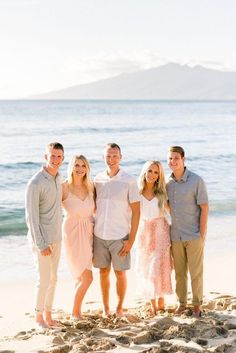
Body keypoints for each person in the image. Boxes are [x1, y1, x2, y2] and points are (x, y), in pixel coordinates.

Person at [93, 143, 140, 317]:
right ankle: (106, 308)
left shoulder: (129, 181)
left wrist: (131, 241)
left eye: (115, 156)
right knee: (103, 272)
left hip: (120, 236)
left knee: (120, 273)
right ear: (103, 158)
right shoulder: (97, 179)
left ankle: (119, 308)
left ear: (121, 157)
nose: (111, 159)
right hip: (99, 235)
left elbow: (136, 212)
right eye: (108, 156)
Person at [25, 142, 64, 328]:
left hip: (57, 237)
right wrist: (41, 244)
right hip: (42, 240)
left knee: (54, 278)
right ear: (45, 157)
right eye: (52, 156)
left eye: (58, 156)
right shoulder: (35, 183)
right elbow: (31, 218)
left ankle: (48, 315)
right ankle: (38, 317)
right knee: (44, 279)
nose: (55, 159)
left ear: (62, 158)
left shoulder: (58, 178)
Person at [166, 146, 209, 317]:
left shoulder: (196, 180)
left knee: (196, 273)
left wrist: (202, 234)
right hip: (175, 235)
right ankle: (181, 304)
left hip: (193, 235)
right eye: (170, 158)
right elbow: (166, 205)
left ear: (184, 159)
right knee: (179, 273)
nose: (173, 161)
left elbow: (204, 208)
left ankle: (197, 305)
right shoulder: (167, 182)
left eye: (176, 158)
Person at [135, 161, 173, 315]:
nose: (152, 175)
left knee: (160, 265)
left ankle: (161, 297)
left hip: (161, 230)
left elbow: (171, 211)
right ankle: (152, 303)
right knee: (148, 267)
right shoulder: (137, 192)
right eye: (149, 171)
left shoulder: (162, 192)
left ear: (159, 176)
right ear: (144, 172)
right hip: (145, 231)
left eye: (156, 172)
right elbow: (131, 214)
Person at [62, 155, 95, 320]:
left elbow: (97, 210)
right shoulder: (64, 187)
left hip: (88, 232)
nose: (80, 169)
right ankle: (75, 313)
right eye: (77, 165)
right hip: (72, 233)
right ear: (71, 167)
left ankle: (76, 309)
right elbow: (50, 209)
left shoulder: (90, 187)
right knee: (87, 278)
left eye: (83, 165)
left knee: (81, 276)